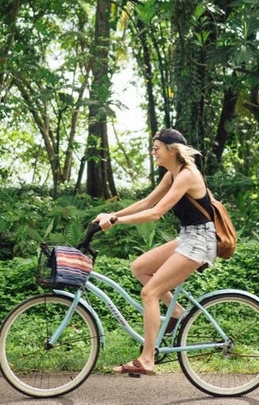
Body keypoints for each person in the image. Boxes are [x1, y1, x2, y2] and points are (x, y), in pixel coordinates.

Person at [93, 128, 217, 376]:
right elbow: (147, 202)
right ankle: (178, 312)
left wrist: (116, 221)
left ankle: (147, 359)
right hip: (188, 236)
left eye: (156, 148)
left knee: (150, 293)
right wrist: (112, 214)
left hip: (201, 240)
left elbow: (155, 213)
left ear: (172, 150)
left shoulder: (187, 175)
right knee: (139, 267)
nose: (153, 152)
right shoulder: (172, 175)